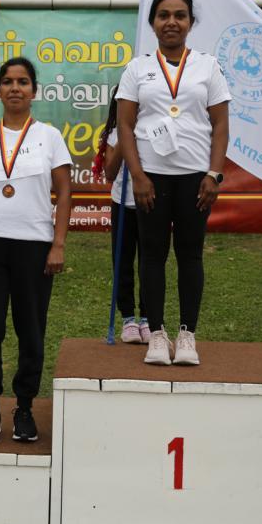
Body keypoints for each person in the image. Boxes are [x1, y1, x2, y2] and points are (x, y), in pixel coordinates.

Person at [0, 57, 72, 443]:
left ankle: (24, 407)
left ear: (34, 90)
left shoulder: (49, 137)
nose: (15, 88)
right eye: (7, 82)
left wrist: (58, 244)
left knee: (31, 330)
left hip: (34, 246)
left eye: (23, 82)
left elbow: (64, 193)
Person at [116, 0, 231, 366]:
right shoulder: (137, 69)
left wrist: (213, 174)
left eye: (179, 15)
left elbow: (221, 125)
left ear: (190, 23)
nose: (171, 22)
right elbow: (125, 125)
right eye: (163, 15)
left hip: (196, 178)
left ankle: (186, 335)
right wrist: (138, 175)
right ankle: (156, 334)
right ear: (152, 23)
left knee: (190, 254)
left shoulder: (208, 67)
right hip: (151, 178)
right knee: (152, 255)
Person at [91, 86, 150, 344]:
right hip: (122, 203)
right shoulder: (115, 134)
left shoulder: (152, 129)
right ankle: (128, 318)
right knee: (123, 261)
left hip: (149, 203)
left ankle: (148, 317)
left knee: (150, 261)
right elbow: (110, 173)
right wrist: (125, 143)